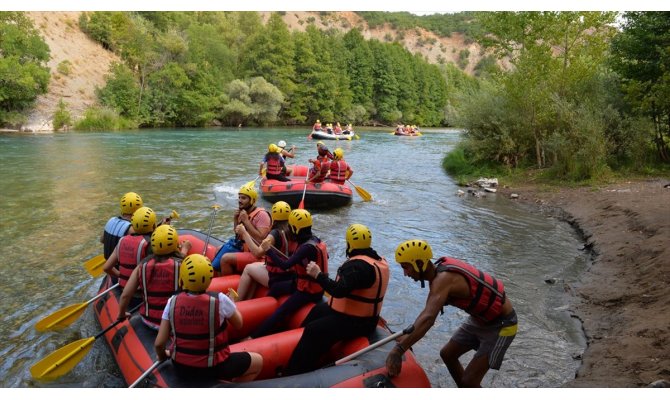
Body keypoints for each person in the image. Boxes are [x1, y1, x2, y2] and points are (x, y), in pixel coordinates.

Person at [385, 239, 518, 388]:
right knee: (447, 354)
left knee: (469, 381)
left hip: (502, 325)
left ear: (420, 264)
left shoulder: (444, 279)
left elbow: (428, 318)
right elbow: (425, 315)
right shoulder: (436, 276)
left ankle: (468, 387)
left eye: (406, 267)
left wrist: (399, 350)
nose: (405, 273)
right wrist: (405, 338)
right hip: (479, 320)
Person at [283, 224, 389, 376]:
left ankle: (294, 372)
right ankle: (300, 348)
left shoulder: (357, 267)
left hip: (358, 321)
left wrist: (318, 275)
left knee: (313, 329)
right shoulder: (374, 259)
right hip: (353, 314)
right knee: (317, 311)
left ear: (349, 244)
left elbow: (338, 291)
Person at [154, 254, 263, 383]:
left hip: (180, 367)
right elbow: (239, 324)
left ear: (182, 278)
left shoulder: (172, 301)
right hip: (214, 367)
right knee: (258, 361)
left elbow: (159, 343)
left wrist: (163, 356)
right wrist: (231, 304)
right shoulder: (220, 299)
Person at [248, 209, 327, 339]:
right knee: (275, 288)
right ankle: (265, 309)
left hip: (309, 291)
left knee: (282, 311)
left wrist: (269, 250)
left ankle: (253, 336)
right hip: (303, 283)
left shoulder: (306, 248)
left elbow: (285, 265)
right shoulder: (314, 240)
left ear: (295, 228)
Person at [116, 224, 191, 329]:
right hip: (172, 323)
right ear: (175, 245)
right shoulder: (182, 265)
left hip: (148, 320)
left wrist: (121, 314)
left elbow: (125, 295)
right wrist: (184, 251)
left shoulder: (142, 266)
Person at [234, 200, 296, 301]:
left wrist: (244, 234)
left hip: (277, 277)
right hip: (290, 275)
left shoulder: (274, 234)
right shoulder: (294, 230)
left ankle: (237, 301)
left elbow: (257, 253)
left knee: (248, 268)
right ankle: (248, 300)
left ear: (273, 216)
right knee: (254, 268)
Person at [214, 185, 272, 276]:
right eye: (239, 197)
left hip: (258, 254)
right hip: (243, 248)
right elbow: (238, 234)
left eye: (243, 198)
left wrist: (246, 221)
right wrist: (235, 219)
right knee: (218, 250)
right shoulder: (244, 212)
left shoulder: (262, 215)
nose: (240, 200)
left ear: (252, 200)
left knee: (225, 258)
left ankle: (227, 284)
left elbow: (261, 238)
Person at [102, 206, 156, 290]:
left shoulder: (122, 241)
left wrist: (121, 275)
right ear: (153, 226)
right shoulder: (151, 244)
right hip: (140, 290)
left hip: (123, 285)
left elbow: (106, 267)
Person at [101, 192, 143, 259]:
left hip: (107, 260)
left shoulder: (111, 220)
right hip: (120, 266)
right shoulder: (131, 229)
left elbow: (102, 240)